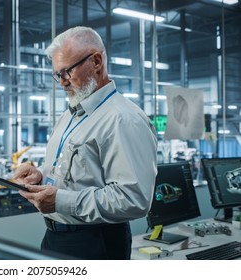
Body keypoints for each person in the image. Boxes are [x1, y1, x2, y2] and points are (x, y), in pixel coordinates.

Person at [13, 26, 158, 260]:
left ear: (97, 62)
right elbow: (76, 173)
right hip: (55, 238)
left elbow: (134, 200)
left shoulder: (123, 119)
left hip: (95, 244)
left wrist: (60, 200)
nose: (62, 82)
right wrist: (39, 176)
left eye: (67, 72)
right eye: (57, 75)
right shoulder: (71, 113)